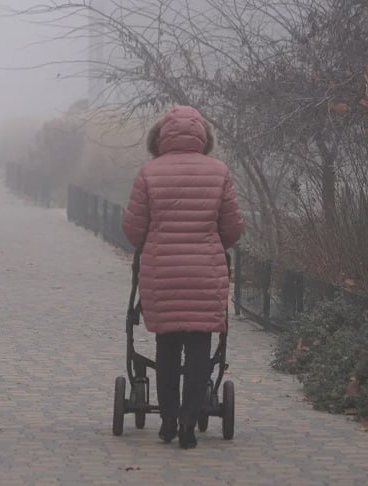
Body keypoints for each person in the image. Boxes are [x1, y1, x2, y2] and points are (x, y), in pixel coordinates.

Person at [122, 105, 244, 449]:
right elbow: (233, 229)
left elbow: (133, 231)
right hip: (205, 274)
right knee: (199, 349)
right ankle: (191, 421)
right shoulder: (219, 172)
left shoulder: (149, 173)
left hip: (163, 274)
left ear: (161, 138)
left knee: (168, 347)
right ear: (203, 137)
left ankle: (170, 419)